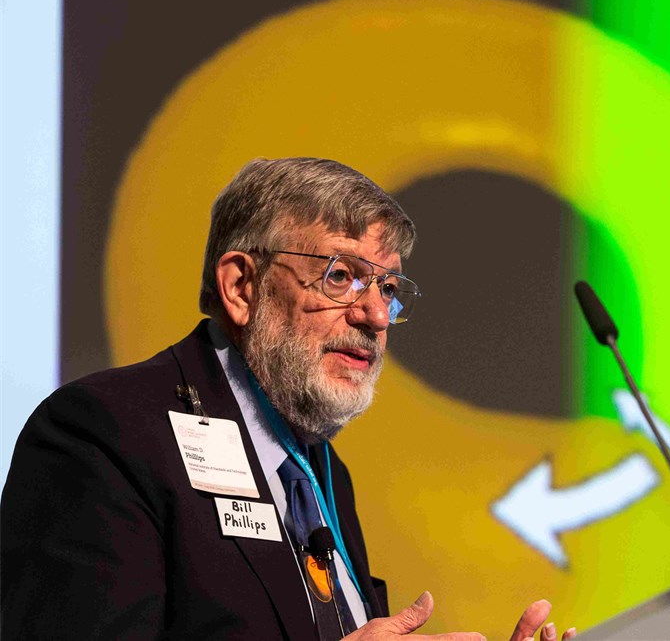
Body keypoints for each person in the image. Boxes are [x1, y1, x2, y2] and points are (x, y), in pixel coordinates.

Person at [1, 157, 578, 641]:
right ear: (241, 287)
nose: (377, 315)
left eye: (389, 287)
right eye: (340, 275)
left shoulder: (323, 475)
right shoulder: (105, 435)